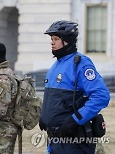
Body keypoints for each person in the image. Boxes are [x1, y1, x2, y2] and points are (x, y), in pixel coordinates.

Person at [39, 21, 110, 154]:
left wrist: (75, 119)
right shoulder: (55, 66)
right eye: (51, 39)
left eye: (56, 39)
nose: (52, 42)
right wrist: (45, 117)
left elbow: (101, 96)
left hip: (74, 141)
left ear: (67, 41)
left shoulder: (81, 64)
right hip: (55, 140)